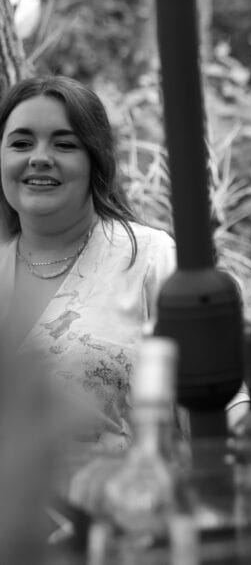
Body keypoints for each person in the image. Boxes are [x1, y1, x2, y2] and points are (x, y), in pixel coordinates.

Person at [0, 76, 177, 457]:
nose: (39, 157)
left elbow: (208, 395)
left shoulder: (146, 258)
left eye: (64, 144)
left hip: (117, 507)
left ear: (96, 159)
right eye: (21, 143)